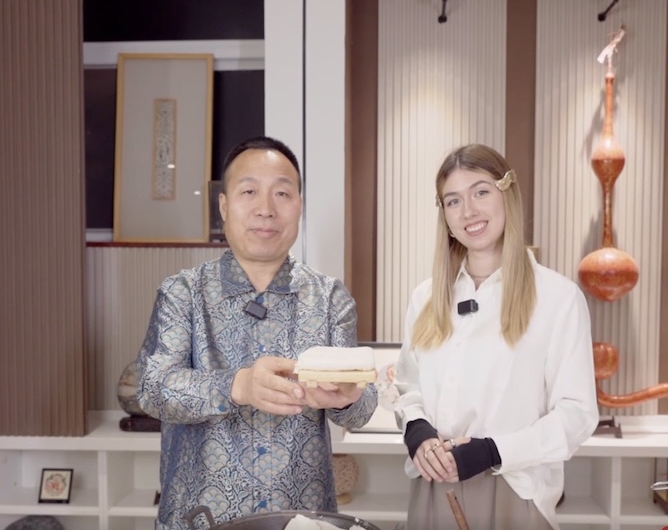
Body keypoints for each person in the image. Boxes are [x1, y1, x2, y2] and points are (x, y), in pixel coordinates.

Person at [135, 136, 378, 530]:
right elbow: (153, 388)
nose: (266, 208)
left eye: (282, 193)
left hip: (302, 519)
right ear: (224, 206)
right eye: (249, 191)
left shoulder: (331, 298)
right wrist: (238, 386)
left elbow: (363, 409)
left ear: (299, 205)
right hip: (202, 519)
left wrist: (348, 398)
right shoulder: (183, 293)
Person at [393, 143, 598, 530]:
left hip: (514, 493)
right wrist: (417, 430)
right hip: (432, 488)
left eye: (481, 192)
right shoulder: (425, 298)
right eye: (453, 201)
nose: (468, 211)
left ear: (507, 194)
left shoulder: (558, 298)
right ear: (444, 215)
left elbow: (577, 415)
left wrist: (493, 451)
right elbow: (408, 387)